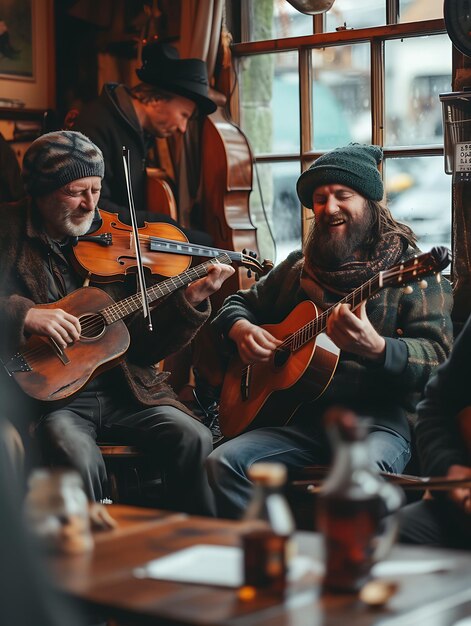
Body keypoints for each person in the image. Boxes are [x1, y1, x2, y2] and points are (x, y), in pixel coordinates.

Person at [206, 143, 453, 519]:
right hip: (300, 420)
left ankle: (349, 567)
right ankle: (278, 555)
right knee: (223, 463)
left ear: (370, 201)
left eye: (343, 195)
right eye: (320, 199)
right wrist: (240, 329)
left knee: (362, 480)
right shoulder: (298, 268)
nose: (329, 207)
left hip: (379, 423)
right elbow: (236, 304)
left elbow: (439, 360)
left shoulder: (411, 274)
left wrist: (379, 350)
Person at [0, 130, 234, 516]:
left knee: (192, 436)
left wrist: (188, 302)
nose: (89, 204)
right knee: (73, 451)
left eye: (96, 188)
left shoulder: (113, 239)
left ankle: (192, 542)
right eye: (75, 192)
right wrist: (23, 313)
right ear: (41, 193)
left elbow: (144, 345)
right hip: (54, 398)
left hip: (127, 389)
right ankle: (97, 552)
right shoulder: (8, 231)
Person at [72, 40, 216, 245]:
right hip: (100, 244)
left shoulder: (141, 133)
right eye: (183, 115)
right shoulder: (97, 123)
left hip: (128, 241)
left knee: (205, 243)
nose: (183, 128)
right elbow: (94, 206)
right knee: (206, 244)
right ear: (156, 99)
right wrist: (162, 223)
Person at [398, 314, 471, 549]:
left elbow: (434, 350)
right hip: (459, 512)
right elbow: (435, 407)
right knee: (386, 540)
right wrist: (450, 467)